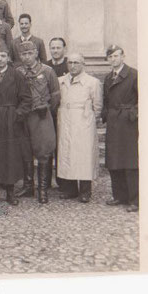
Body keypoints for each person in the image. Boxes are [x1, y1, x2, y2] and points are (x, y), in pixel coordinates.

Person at [0, 43, 31, 205]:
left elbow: (26, 99)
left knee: (10, 154)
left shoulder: (17, 75)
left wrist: (17, 114)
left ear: (8, 58)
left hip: (11, 118)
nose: (0, 59)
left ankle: (10, 191)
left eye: (3, 56)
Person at [15, 41, 60, 203]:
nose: (26, 57)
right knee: (26, 150)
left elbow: (55, 95)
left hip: (41, 115)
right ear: (20, 56)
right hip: (24, 116)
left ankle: (42, 189)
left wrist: (46, 109)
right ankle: (28, 186)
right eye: (23, 54)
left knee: (43, 151)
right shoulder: (18, 71)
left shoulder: (47, 71)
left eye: (29, 53)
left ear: (35, 53)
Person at [56, 53, 102, 203]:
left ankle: (85, 190)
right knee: (67, 152)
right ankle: (70, 189)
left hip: (83, 120)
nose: (73, 65)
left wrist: (90, 119)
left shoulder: (92, 82)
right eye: (70, 62)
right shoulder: (61, 81)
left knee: (83, 154)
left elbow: (98, 105)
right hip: (66, 118)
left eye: (76, 62)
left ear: (83, 64)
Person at [102, 44, 139, 212]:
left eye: (116, 56)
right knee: (114, 159)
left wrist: (134, 113)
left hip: (128, 122)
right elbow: (106, 100)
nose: (113, 59)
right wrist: (105, 114)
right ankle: (119, 196)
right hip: (114, 122)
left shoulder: (133, 74)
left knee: (130, 160)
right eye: (110, 57)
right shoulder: (109, 78)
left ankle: (134, 199)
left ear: (123, 56)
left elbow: (143, 98)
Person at [46, 37, 69, 189]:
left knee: (63, 147)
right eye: (53, 48)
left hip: (65, 112)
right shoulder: (45, 66)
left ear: (64, 49)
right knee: (48, 146)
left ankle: (63, 181)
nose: (55, 51)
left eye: (58, 48)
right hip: (48, 113)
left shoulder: (70, 64)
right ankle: (46, 181)